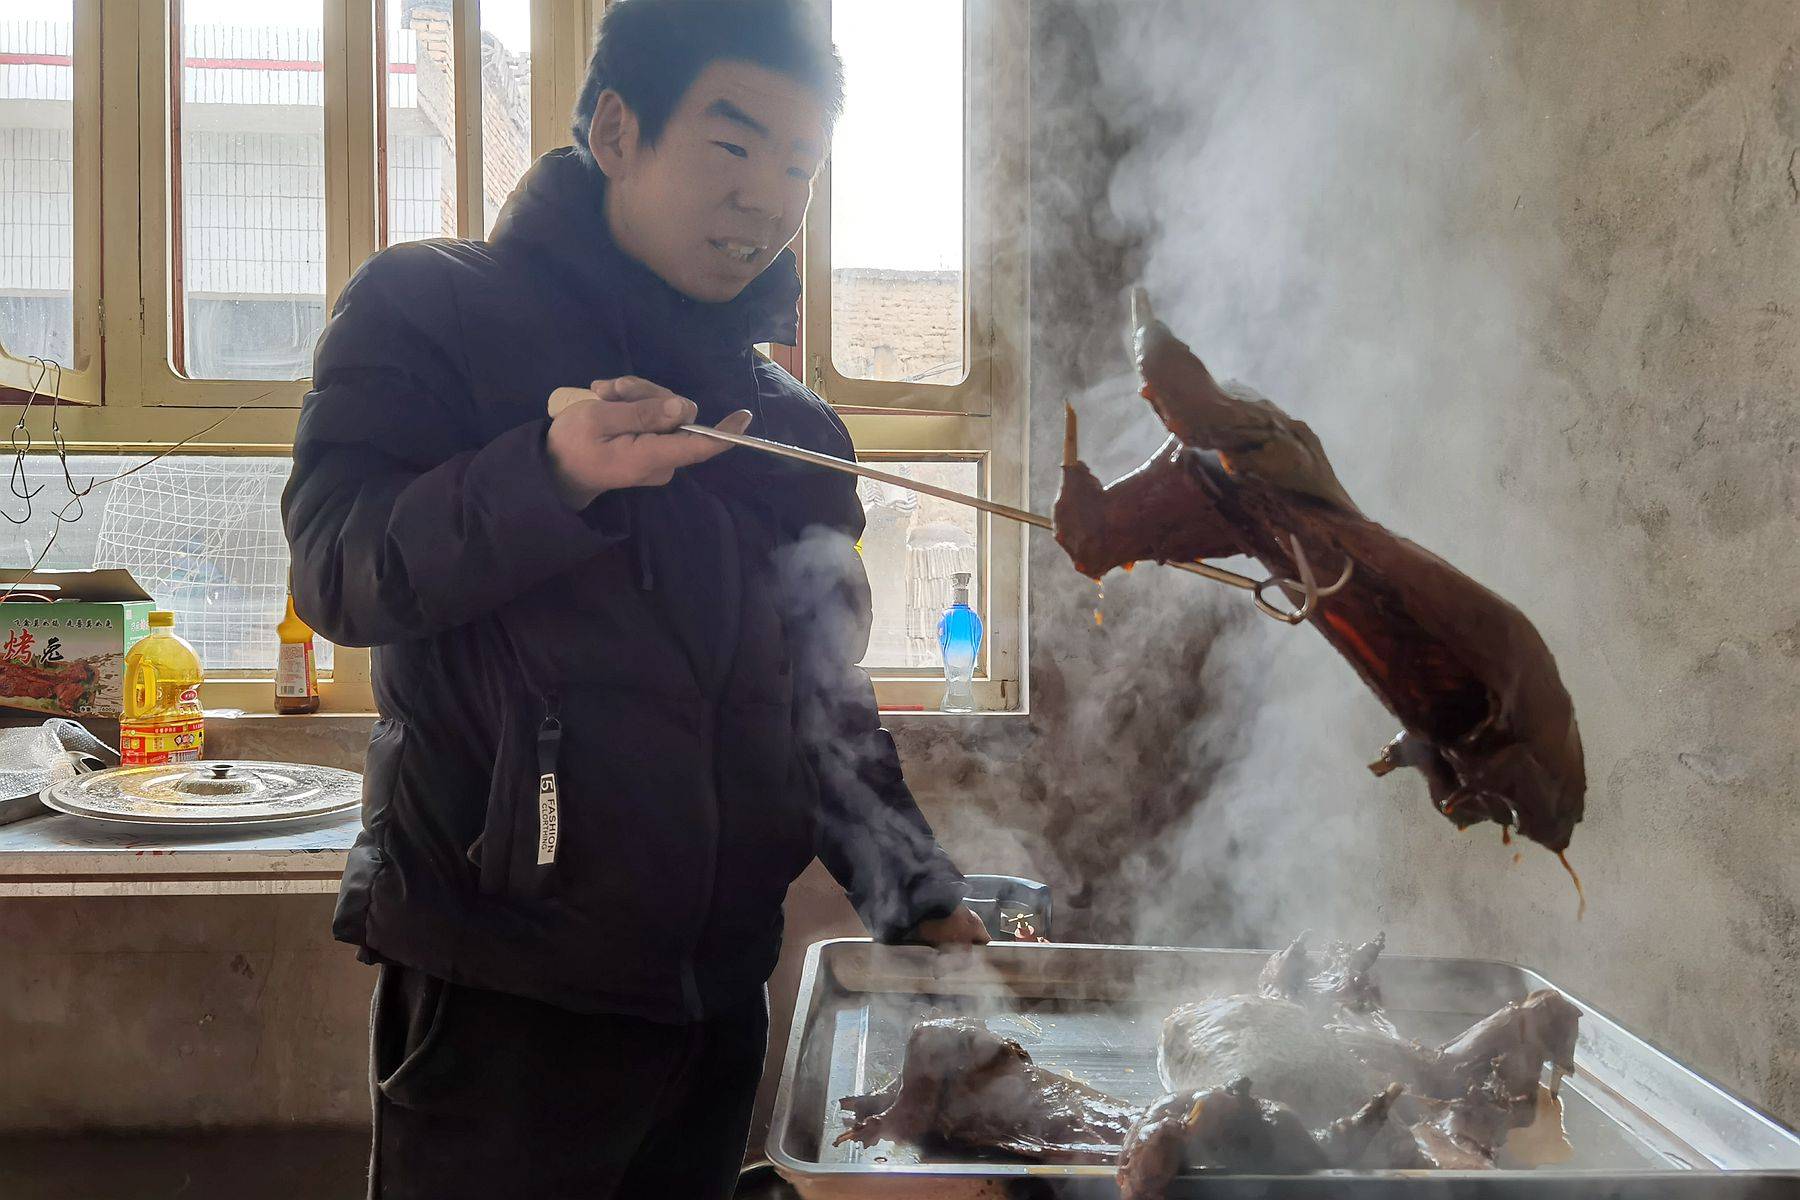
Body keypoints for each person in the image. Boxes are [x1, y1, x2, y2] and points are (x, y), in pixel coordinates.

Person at [281, 2, 987, 1196]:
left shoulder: (794, 426)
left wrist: (915, 899)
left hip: (719, 1003)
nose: (767, 196)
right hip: (502, 1002)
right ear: (617, 130)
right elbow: (340, 571)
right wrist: (548, 475)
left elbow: (826, 706)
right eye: (731, 145)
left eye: (799, 163)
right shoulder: (431, 310)